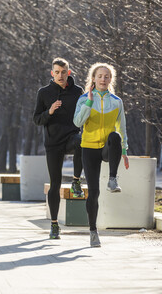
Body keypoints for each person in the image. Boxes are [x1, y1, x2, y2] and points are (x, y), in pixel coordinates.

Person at [73, 62, 129, 247]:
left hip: (107, 147)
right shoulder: (83, 99)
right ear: (94, 78)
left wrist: (124, 151)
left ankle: (113, 179)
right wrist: (89, 102)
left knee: (115, 135)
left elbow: (122, 127)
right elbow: (77, 122)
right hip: (88, 149)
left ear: (110, 80)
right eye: (100, 76)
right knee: (94, 192)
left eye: (107, 76)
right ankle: (93, 231)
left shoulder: (116, 101)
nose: (103, 79)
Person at [33, 58, 84, 240]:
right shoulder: (44, 93)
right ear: (52, 73)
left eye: (63, 72)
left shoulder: (78, 92)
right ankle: (54, 225)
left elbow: (85, 113)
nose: (60, 75)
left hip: (71, 137)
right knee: (55, 184)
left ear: (68, 72)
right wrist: (50, 112)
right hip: (53, 143)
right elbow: (36, 119)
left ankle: (76, 181)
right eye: (57, 72)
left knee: (81, 141)